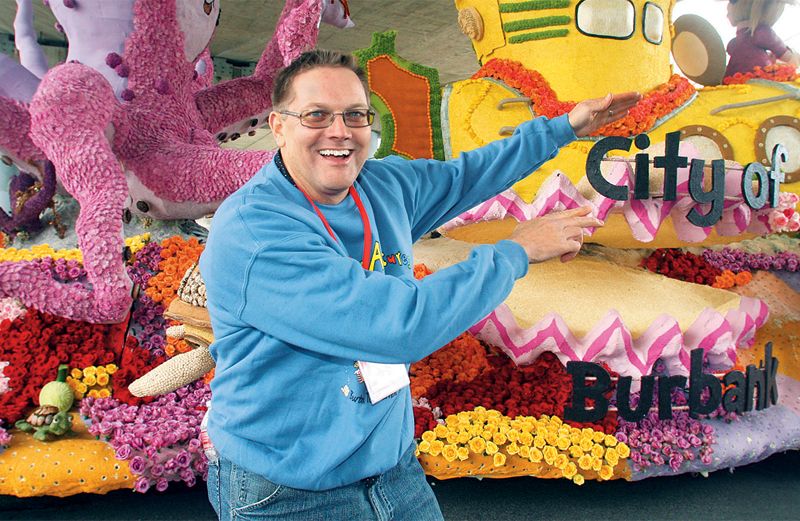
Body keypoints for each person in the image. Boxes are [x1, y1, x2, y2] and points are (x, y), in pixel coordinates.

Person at [199, 49, 640, 520]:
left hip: (391, 468)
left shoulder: (383, 185)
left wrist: (561, 128)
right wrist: (518, 251)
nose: (339, 131)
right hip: (288, 488)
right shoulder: (255, 231)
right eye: (316, 115)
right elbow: (397, 325)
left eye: (355, 115)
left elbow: (467, 176)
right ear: (279, 125)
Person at [725, 0, 799, 77]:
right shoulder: (762, 32)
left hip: (733, 76)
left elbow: (732, 48)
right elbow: (786, 55)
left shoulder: (736, 41)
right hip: (758, 75)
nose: (727, 16)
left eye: (728, 13)